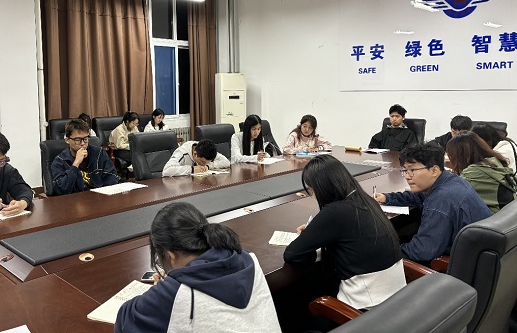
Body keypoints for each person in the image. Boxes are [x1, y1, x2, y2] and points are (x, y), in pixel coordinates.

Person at [115, 202, 282, 333]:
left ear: (170, 256)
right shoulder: (248, 260)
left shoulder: (174, 293)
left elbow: (124, 321)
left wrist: (160, 292)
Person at [284, 155, 406, 310]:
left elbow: (292, 254)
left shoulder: (335, 211)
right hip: (399, 298)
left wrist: (309, 241)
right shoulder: (365, 199)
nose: (313, 195)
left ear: (321, 187)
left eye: (311, 190)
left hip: (369, 307)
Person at [374, 143, 491, 264]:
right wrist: (387, 198)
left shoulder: (441, 201)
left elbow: (420, 252)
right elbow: (420, 196)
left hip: (463, 264)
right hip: (479, 254)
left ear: (434, 170)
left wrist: (384, 253)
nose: (407, 176)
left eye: (412, 170)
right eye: (405, 170)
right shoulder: (451, 180)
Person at [446, 132, 516, 213]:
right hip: (508, 212)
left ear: (459, 156)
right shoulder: (494, 161)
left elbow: (452, 194)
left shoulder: (471, 173)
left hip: (495, 215)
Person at [51, 119, 118, 195]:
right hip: (75, 199)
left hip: (99, 196)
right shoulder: (60, 161)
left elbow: (112, 177)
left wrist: (104, 194)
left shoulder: (99, 153)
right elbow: (61, 189)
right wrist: (76, 164)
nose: (83, 143)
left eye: (85, 139)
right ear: (67, 140)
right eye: (77, 140)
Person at [163, 139, 230, 177]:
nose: (203, 165)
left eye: (207, 162)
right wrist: (192, 169)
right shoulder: (182, 153)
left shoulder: (207, 150)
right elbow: (166, 171)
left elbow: (226, 162)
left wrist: (208, 166)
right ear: (195, 154)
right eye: (202, 162)